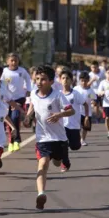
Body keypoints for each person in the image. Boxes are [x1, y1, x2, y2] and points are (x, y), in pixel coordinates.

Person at [23, 65, 75, 210]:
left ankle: (62, 160)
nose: (39, 82)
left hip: (59, 138)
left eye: (43, 79)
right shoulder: (33, 93)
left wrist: (59, 114)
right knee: (43, 164)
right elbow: (32, 107)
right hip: (42, 138)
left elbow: (71, 110)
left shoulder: (58, 95)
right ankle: (41, 193)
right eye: (37, 79)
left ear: (51, 81)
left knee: (57, 163)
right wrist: (27, 117)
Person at [1, 53, 32, 152]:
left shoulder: (22, 71)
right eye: (12, 60)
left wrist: (28, 89)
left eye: (16, 60)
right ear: (7, 62)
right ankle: (10, 142)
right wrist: (3, 95)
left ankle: (17, 141)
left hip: (19, 98)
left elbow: (28, 80)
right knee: (9, 120)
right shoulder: (5, 72)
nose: (14, 62)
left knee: (15, 118)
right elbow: (2, 84)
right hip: (8, 99)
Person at [59, 70, 89, 172]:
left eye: (67, 78)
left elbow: (85, 104)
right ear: (60, 80)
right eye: (63, 78)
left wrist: (86, 117)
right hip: (62, 125)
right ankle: (65, 163)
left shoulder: (75, 94)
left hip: (74, 125)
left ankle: (77, 141)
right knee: (63, 145)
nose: (65, 80)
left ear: (71, 81)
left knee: (75, 146)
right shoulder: (58, 94)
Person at [74, 72, 96, 145]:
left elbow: (93, 100)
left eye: (85, 81)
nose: (83, 82)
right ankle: (78, 138)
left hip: (87, 112)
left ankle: (83, 139)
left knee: (85, 127)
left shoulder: (90, 91)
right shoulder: (76, 89)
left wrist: (93, 103)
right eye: (82, 81)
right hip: (77, 111)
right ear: (79, 80)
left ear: (88, 81)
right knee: (78, 126)